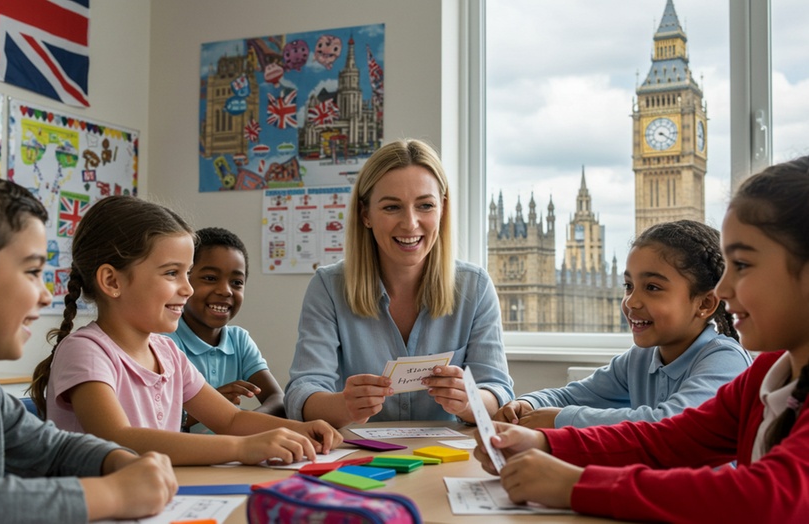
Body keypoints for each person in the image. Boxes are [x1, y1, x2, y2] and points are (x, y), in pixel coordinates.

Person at [473, 156, 809, 522]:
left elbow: (762, 496)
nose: (724, 289)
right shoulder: (765, 375)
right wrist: (544, 442)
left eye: (742, 265)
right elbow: (666, 441)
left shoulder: (730, 361)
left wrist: (575, 484)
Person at [29, 195, 341, 466]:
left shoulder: (167, 352)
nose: (188, 289)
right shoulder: (85, 351)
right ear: (112, 281)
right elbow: (119, 439)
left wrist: (301, 429)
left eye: (187, 273)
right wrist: (241, 448)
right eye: (172, 273)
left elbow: (230, 419)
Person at [0, 167, 176, 523]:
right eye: (33, 272)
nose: (45, 295)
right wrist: (115, 493)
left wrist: (118, 460)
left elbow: (50, 449)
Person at [285, 139, 514, 428]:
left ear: (442, 210)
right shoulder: (328, 287)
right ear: (365, 215)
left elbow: (499, 394)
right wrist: (343, 406)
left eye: (425, 206)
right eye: (392, 207)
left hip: (447, 451)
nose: (410, 223)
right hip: (358, 452)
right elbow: (301, 394)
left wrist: (469, 401)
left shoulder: (475, 287)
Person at [494, 220, 752, 429]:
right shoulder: (640, 359)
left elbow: (668, 424)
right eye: (628, 286)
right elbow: (571, 395)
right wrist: (529, 404)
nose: (631, 301)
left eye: (652, 287)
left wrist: (561, 419)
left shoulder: (725, 360)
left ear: (705, 303)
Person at [166, 227, 286, 428]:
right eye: (210, 278)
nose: (225, 291)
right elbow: (159, 417)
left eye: (237, 282)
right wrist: (214, 407)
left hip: (234, 446)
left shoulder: (239, 340)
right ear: (184, 280)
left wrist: (247, 421)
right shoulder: (165, 342)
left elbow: (277, 398)